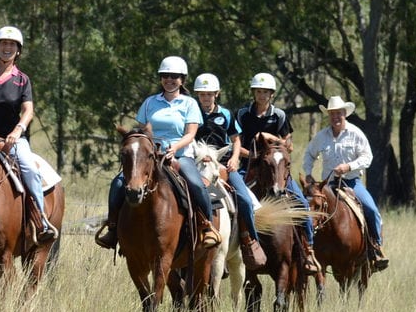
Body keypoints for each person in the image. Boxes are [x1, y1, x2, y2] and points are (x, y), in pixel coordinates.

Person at [94, 56, 222, 251]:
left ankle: (207, 227)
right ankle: (113, 230)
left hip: (180, 154)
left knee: (196, 184)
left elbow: (191, 134)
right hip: (150, 156)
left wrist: (175, 148)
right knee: (119, 183)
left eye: (174, 76)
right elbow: (142, 132)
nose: (169, 80)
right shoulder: (149, 102)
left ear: (182, 79)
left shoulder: (189, 104)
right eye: (165, 76)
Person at [0, 25, 57, 244]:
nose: (7, 48)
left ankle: (40, 220)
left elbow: (28, 110)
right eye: (4, 44)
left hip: (9, 139)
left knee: (29, 169)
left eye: (12, 45)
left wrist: (18, 131)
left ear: (18, 51)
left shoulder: (22, 80)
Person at [230, 72, 319, 274]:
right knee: (233, 199)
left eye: (266, 92)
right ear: (254, 93)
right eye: (259, 91)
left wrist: (269, 138)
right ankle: (231, 248)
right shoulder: (242, 114)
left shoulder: (279, 115)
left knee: (303, 203)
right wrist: (257, 156)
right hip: (248, 165)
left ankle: (309, 249)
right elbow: (235, 143)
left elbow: (289, 146)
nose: (262, 95)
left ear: (271, 94)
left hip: (275, 168)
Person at [302, 96, 388, 271]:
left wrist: (349, 166)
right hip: (327, 186)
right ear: (329, 115)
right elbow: (309, 154)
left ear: (345, 114)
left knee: (371, 210)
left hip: (352, 183)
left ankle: (376, 248)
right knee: (307, 210)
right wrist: (309, 173)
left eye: (339, 113)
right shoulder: (321, 136)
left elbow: (367, 157)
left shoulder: (356, 133)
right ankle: (305, 250)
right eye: (332, 113)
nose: (335, 117)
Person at [191, 73, 267, 270]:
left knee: (244, 198)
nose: (206, 98)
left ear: (217, 94)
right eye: (202, 95)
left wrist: (234, 159)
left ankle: (250, 241)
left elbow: (236, 140)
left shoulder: (225, 114)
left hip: (223, 164)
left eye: (209, 94)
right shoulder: (192, 113)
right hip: (197, 163)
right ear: (197, 95)